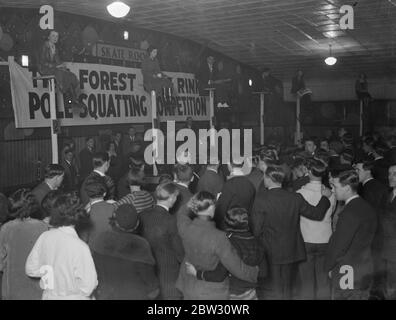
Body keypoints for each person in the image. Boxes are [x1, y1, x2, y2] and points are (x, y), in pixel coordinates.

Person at [250, 164, 331, 300]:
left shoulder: (261, 199)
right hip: (291, 250)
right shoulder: (295, 197)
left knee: (272, 288)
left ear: (269, 178)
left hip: (269, 251)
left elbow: (256, 229)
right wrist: (324, 198)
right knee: (287, 288)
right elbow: (316, 214)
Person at [176, 192, 258, 300]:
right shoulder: (220, 237)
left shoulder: (185, 228)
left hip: (189, 287)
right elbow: (236, 266)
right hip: (212, 292)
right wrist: (255, 273)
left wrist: (195, 200)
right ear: (211, 208)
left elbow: (182, 213)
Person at [25, 193, 98, 300]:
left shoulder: (45, 236)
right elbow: (88, 286)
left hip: (49, 296)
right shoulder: (80, 247)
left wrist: (51, 272)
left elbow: (30, 269)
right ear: (79, 215)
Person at [187, 207, 265, 300]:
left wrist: (196, 273)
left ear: (227, 223)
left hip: (234, 293)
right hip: (252, 292)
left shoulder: (229, 244)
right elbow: (263, 273)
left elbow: (219, 276)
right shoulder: (256, 241)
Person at [325, 170, 377, 300]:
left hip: (347, 271)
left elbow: (340, 245)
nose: (333, 190)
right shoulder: (366, 207)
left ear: (347, 188)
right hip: (364, 268)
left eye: (335, 186)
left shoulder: (349, 212)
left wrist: (329, 266)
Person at [91, 204, 159, 300]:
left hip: (106, 295)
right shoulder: (141, 245)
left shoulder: (101, 239)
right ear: (137, 223)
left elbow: (94, 274)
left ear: (115, 221)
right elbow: (152, 285)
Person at [296, 159, 336, 300]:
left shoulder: (299, 193)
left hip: (306, 240)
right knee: (323, 280)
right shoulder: (331, 193)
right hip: (325, 240)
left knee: (306, 282)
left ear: (308, 172)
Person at [0, 189, 48, 300]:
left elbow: (0, 264)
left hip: (12, 287)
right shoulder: (43, 227)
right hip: (37, 287)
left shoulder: (6, 228)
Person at [140, 182, 184, 299]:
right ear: (172, 198)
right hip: (168, 273)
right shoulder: (171, 221)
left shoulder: (142, 215)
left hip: (148, 271)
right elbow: (179, 252)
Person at [355, 159, 389, 299]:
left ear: (367, 171)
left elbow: (368, 215)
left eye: (358, 170)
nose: (356, 173)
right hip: (382, 233)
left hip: (373, 234)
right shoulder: (379, 186)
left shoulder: (367, 189)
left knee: (374, 267)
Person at [38, 30, 82, 108]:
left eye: (57, 36)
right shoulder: (44, 46)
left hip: (54, 69)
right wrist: (56, 66)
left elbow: (57, 61)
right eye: (53, 36)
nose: (55, 38)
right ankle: (69, 98)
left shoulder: (55, 48)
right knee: (60, 73)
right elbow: (42, 62)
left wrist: (61, 65)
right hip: (45, 69)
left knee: (70, 75)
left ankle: (73, 98)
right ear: (48, 37)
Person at [215, 160, 256, 230]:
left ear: (229, 165)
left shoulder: (229, 184)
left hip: (230, 225)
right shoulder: (250, 184)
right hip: (244, 224)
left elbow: (221, 210)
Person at [81, 175, 115, 250]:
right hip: (112, 249)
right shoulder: (114, 207)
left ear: (87, 193)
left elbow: (83, 240)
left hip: (94, 253)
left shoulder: (86, 214)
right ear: (104, 193)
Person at [381, 164, 396, 299]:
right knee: (389, 284)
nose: (390, 177)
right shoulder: (390, 194)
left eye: (395, 174)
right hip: (388, 249)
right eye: (389, 173)